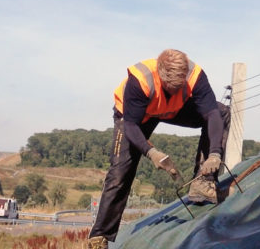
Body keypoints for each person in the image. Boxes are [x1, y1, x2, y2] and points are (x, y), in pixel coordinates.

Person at [88, 49, 230, 249]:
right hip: (135, 117)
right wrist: (151, 152)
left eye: (178, 86)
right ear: (160, 74)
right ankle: (99, 236)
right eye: (170, 87)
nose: (174, 89)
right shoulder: (141, 80)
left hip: (171, 109)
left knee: (223, 112)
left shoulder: (195, 76)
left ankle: (203, 184)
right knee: (121, 172)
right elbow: (130, 125)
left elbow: (212, 114)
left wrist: (215, 153)